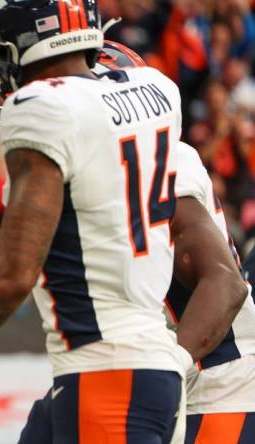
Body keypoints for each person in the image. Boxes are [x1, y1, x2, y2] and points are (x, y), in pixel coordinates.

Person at [0, 2, 244, 442]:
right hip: (125, 361)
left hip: (126, 366)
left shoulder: (45, 108)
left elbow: (10, 278)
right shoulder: (154, 91)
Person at [93, 40, 255, 444]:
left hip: (217, 386)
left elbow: (224, 284)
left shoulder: (153, 160)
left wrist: (161, 374)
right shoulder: (106, 168)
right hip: (186, 382)